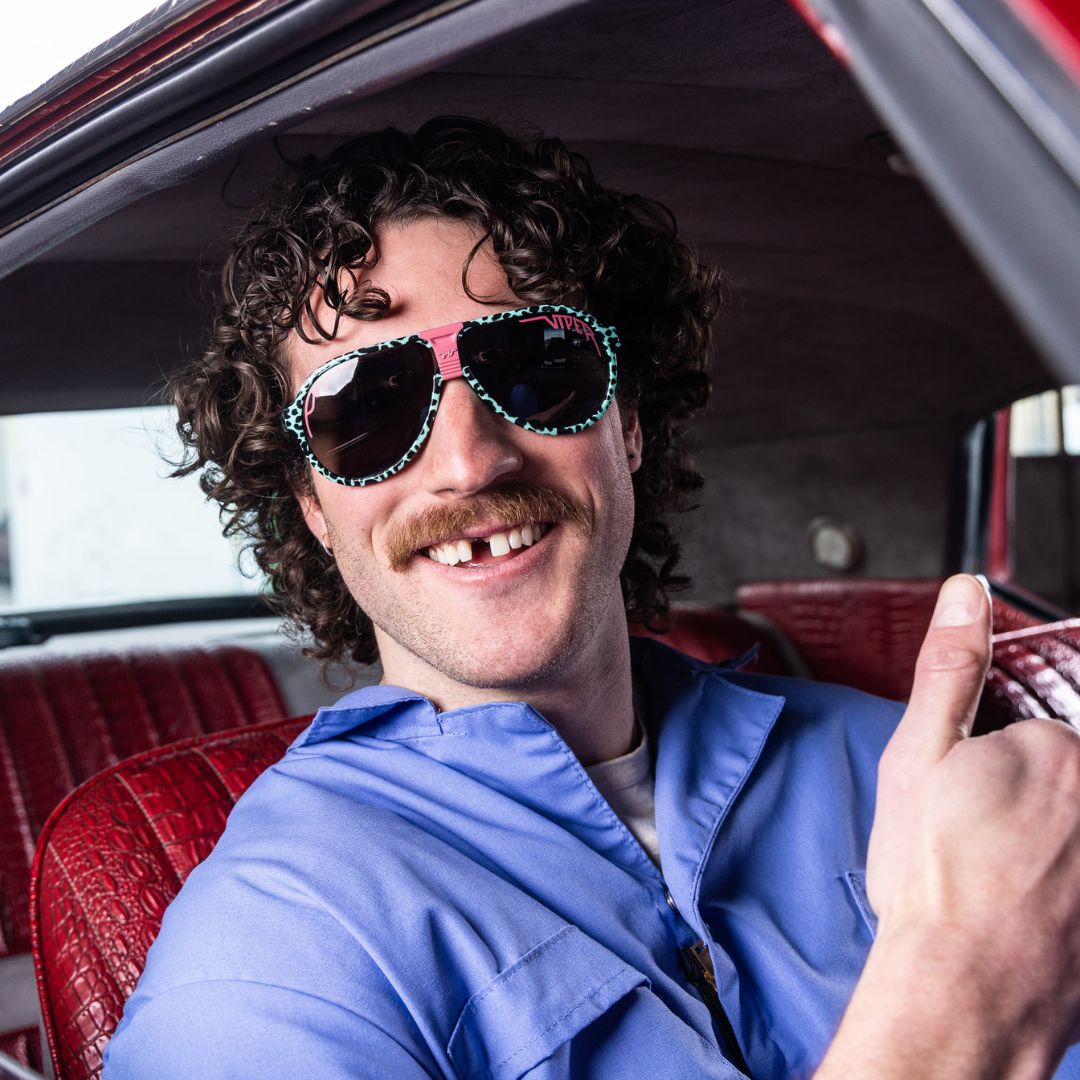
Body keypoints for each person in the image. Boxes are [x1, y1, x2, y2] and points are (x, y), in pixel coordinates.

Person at [104, 117, 1080, 1078]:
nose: (469, 461)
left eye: (535, 368)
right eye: (365, 409)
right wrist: (961, 998)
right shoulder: (274, 950)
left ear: (631, 424)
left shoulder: (906, 766)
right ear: (313, 505)